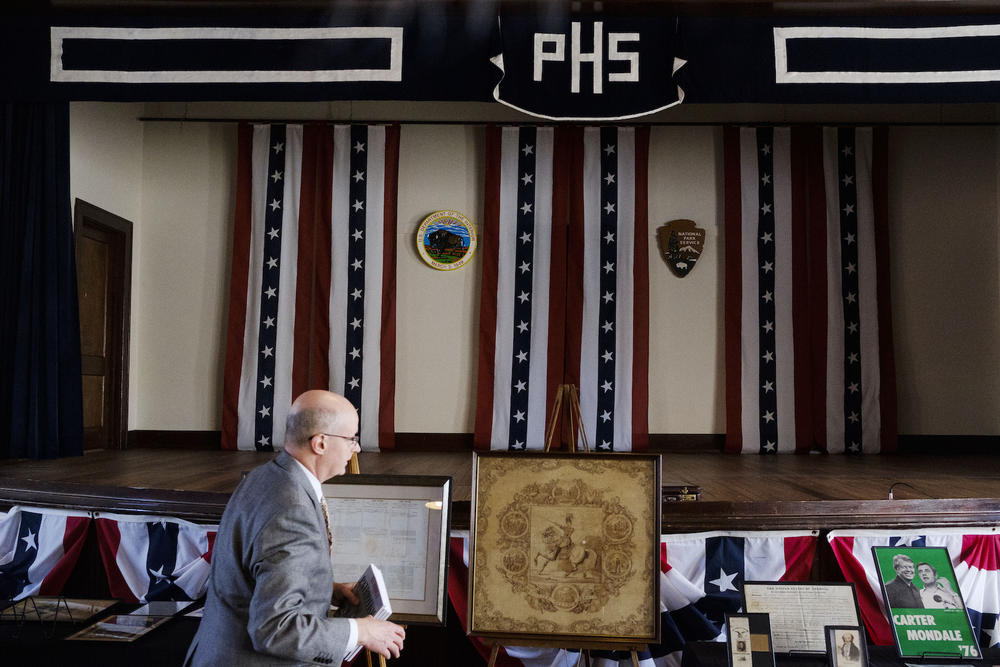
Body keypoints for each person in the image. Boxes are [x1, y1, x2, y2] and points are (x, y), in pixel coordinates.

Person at [185, 390, 406, 666]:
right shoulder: (293, 510)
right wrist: (362, 631)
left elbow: (257, 573)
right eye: (352, 439)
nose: (356, 449)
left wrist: (326, 588)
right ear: (320, 443)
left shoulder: (266, 477)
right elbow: (276, 629)